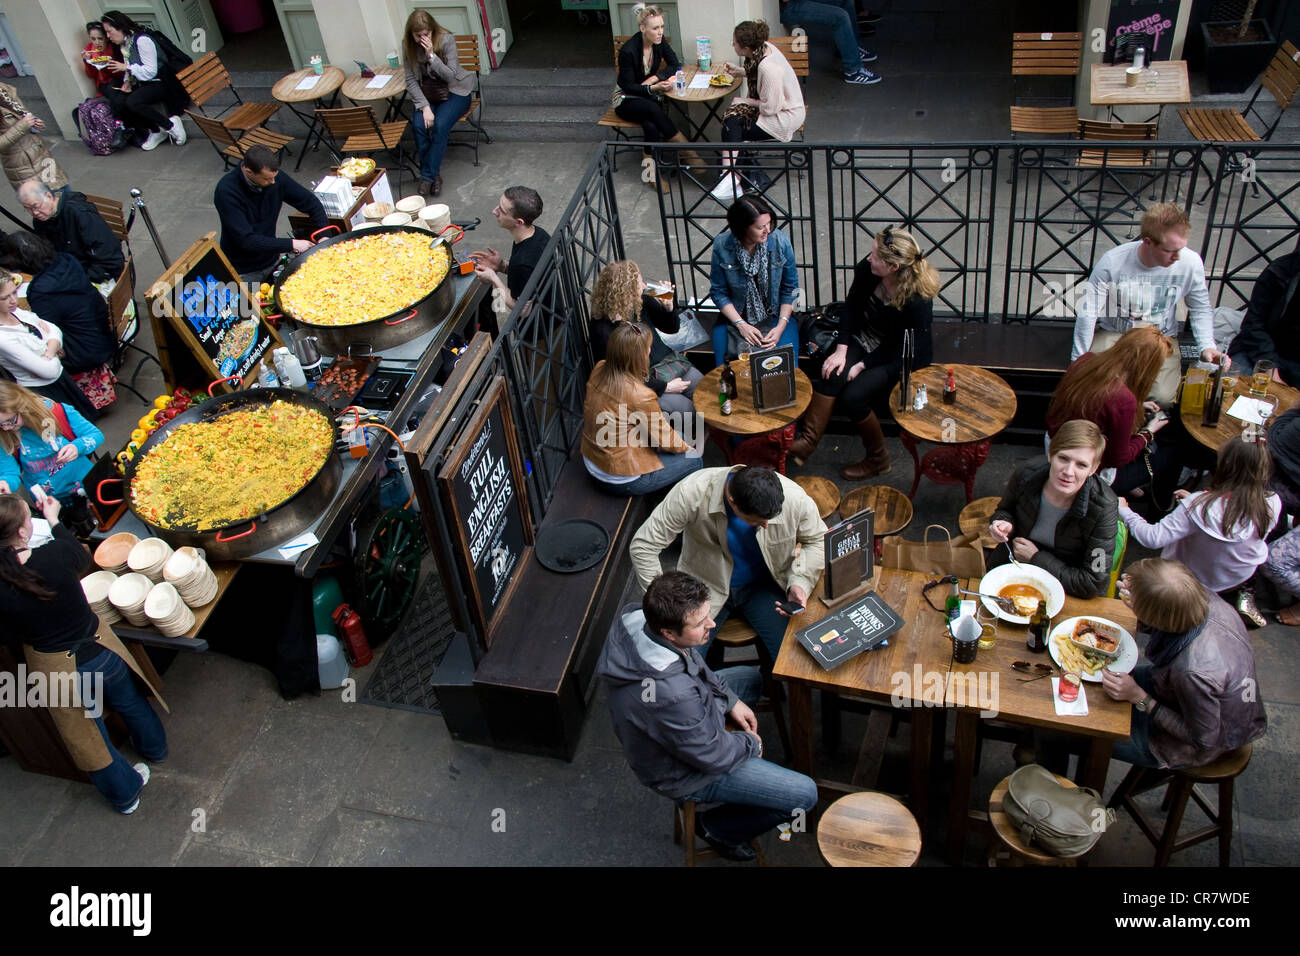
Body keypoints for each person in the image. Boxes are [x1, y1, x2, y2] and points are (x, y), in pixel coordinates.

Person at [597, 570, 818, 860]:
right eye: (701, 623)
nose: (712, 625)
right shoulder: (671, 696)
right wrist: (751, 744)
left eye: (708, 614)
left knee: (749, 681)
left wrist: (729, 700)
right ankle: (718, 829)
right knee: (805, 795)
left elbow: (694, 664)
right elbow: (711, 753)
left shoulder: (639, 615)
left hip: (689, 714)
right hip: (684, 772)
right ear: (668, 632)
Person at [0, 492, 168, 813]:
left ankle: (125, 796)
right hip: (99, 648)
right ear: (23, 532)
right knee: (129, 700)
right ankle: (155, 751)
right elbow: (81, 556)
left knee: (89, 736)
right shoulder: (53, 554)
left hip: (54, 669)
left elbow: (5, 634)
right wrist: (53, 519)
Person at [630, 465, 826, 663]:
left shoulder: (795, 498)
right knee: (682, 665)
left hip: (765, 587)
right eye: (756, 521)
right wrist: (665, 605)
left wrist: (799, 581)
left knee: (793, 660)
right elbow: (643, 546)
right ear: (732, 501)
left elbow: (818, 540)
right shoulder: (691, 492)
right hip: (703, 589)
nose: (766, 525)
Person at [790, 225, 938, 480]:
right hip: (866, 335)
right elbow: (852, 307)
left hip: (900, 355)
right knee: (832, 370)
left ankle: (878, 460)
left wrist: (862, 365)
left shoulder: (917, 300)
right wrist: (842, 350)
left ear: (893, 267)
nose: (869, 258)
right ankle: (806, 443)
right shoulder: (868, 270)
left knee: (854, 396)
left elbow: (906, 349)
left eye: (875, 256)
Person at [1103, 559, 1266, 770]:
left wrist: (1140, 698)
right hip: (1178, 695)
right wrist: (1141, 607)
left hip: (1189, 744)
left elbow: (1204, 740)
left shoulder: (1192, 672)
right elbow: (1171, 623)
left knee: (1079, 733)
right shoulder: (1204, 599)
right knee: (1099, 681)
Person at [1071, 203, 1222, 404]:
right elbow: (1089, 312)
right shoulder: (1113, 262)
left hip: (1161, 338)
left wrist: (1207, 346)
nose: (1177, 257)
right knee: (1094, 387)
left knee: (1163, 398)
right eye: (1170, 250)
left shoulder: (1190, 262)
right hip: (1115, 334)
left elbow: (1200, 307)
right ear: (1148, 242)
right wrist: (1077, 361)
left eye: (1181, 248)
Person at [1118, 437, 1279, 627]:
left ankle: (1154, 620)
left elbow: (1152, 538)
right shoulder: (1273, 501)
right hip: (1233, 576)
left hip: (1188, 580)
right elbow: (1229, 517)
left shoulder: (1198, 506)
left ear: (1225, 466)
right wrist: (1194, 505)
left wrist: (1123, 510)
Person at [988, 420, 1117, 599]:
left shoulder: (1104, 508)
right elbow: (1004, 509)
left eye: (1081, 465)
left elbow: (1093, 582)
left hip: (1066, 590)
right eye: (1063, 458)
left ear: (1093, 469)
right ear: (1050, 455)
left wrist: (1036, 559)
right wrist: (1003, 523)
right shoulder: (1026, 474)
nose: (1069, 471)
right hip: (1013, 565)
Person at [1046, 325, 1177, 499]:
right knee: (1171, 454)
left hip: (1055, 445)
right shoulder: (1124, 400)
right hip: (1089, 471)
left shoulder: (1085, 360)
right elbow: (1118, 459)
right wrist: (1148, 433)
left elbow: (1095, 401)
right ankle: (1156, 513)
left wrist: (1138, 407)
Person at [2, 233, 117, 412]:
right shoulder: (66, 260)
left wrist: (49, 352)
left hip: (86, 351)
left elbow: (44, 330)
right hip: (103, 334)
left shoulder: (41, 291)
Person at [581, 322, 700, 495]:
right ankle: (665, 503)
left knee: (681, 438)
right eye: (648, 348)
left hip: (594, 460)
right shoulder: (640, 395)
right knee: (694, 458)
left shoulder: (600, 368)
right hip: (621, 477)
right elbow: (666, 439)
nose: (650, 351)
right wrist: (689, 450)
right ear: (640, 357)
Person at [589, 260, 701, 421]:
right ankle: (693, 441)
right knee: (692, 413)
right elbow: (619, 377)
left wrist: (668, 307)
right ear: (624, 292)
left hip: (670, 363)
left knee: (709, 394)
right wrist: (665, 387)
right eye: (638, 284)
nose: (644, 286)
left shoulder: (641, 301)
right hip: (645, 381)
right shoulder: (603, 329)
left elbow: (671, 328)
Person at [709, 21, 807, 204]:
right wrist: (739, 71)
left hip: (785, 116)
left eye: (734, 43)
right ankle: (731, 176)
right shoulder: (762, 49)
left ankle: (731, 177)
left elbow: (771, 108)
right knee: (732, 120)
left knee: (733, 126)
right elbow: (756, 73)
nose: (732, 45)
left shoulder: (767, 67)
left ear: (745, 48)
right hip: (778, 108)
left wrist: (745, 100)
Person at [613, 5, 706, 194]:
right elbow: (628, 85)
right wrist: (652, 87)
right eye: (655, 28)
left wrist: (656, 78)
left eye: (662, 27)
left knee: (651, 124)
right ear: (643, 29)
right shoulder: (628, 51)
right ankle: (689, 153)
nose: (660, 32)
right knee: (653, 111)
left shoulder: (659, 42)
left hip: (647, 97)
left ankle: (651, 174)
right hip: (626, 98)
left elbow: (674, 63)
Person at [213, 145, 328, 283]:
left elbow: (311, 202)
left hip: (272, 259)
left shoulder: (274, 178)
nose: (273, 182)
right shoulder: (226, 191)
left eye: (274, 177)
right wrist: (292, 244)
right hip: (244, 269)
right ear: (249, 172)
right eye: (267, 179)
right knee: (250, 304)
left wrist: (324, 236)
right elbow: (246, 240)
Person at [708, 195, 799, 366]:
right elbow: (718, 293)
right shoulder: (722, 245)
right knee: (727, 371)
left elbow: (791, 289)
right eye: (760, 227)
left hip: (775, 317)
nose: (768, 230)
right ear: (742, 228)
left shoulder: (780, 241)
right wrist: (741, 325)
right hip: (737, 318)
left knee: (785, 370)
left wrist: (780, 327)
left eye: (769, 224)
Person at [0, 272, 99, 422]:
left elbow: (54, 328)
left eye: (14, 292)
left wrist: (49, 351)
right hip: (44, 391)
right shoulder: (3, 338)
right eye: (5, 297)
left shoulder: (15, 312)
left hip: (59, 380)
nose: (14, 300)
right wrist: (54, 347)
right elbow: (48, 371)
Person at [402, 10, 472, 199]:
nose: (422, 38)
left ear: (433, 30)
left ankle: (426, 177)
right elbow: (410, 80)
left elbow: (451, 75)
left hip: (455, 90)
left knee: (440, 125)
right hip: (428, 94)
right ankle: (435, 176)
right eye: (418, 36)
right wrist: (425, 108)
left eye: (427, 34)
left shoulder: (446, 40)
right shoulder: (408, 46)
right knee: (419, 125)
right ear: (411, 34)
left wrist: (432, 55)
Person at [0, 381, 104, 507]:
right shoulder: (4, 435)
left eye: (10, 421)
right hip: (52, 502)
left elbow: (95, 435)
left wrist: (77, 447)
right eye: (1, 425)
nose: (6, 428)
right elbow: (10, 471)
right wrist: (6, 483)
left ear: (22, 407)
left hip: (87, 483)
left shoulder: (56, 412)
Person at [100, 10, 187, 150]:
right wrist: (127, 82)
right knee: (118, 100)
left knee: (133, 102)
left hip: (161, 81)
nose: (108, 36)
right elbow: (131, 66)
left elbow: (151, 71)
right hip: (143, 81)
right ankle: (156, 130)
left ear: (120, 27)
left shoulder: (142, 41)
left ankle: (170, 125)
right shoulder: (125, 44)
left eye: (109, 31)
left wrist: (127, 68)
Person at [19, 180, 124, 286]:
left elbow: (109, 258)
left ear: (49, 196)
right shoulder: (41, 220)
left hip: (95, 276)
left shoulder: (81, 215)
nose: (35, 213)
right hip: (68, 270)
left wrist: (82, 280)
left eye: (36, 206)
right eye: (28, 209)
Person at [472, 186, 548, 318]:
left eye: (502, 211)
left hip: (540, 331)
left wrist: (493, 279)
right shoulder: (539, 233)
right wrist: (501, 266)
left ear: (518, 222)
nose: (494, 211)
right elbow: (530, 276)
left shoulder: (522, 263)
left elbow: (523, 310)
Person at [1227, 248, 1300, 385]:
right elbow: (1253, 324)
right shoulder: (1280, 272)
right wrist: (1269, 366)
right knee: (1232, 387)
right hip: (1261, 350)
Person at [778, 0, 881, 85]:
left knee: (846, 1)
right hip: (788, 8)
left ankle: (852, 49)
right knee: (840, 17)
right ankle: (853, 70)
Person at [0, 83, 68, 192]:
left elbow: (23, 115)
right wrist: (22, 126)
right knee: (47, 205)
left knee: (68, 197)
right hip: (24, 167)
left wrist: (35, 123)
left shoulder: (4, 90)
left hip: (41, 156)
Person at [82, 21, 121, 96]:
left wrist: (107, 66)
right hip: (102, 83)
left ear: (106, 38)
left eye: (100, 38)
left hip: (117, 79)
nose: (97, 42)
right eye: (93, 39)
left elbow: (121, 73)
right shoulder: (89, 49)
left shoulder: (114, 47)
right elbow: (91, 75)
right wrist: (86, 61)